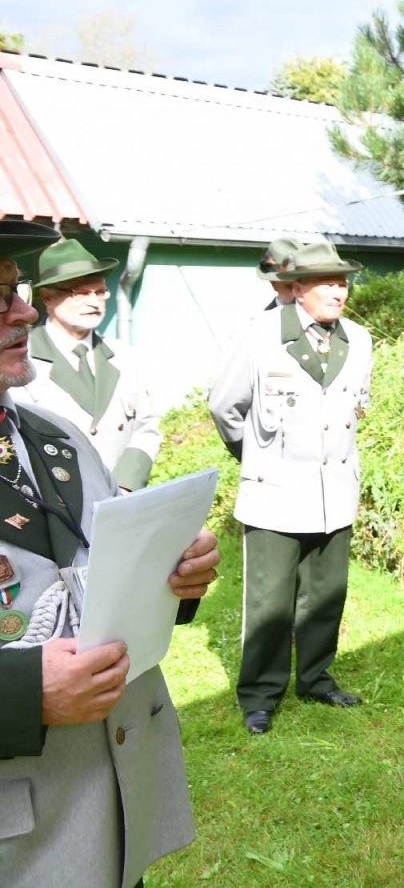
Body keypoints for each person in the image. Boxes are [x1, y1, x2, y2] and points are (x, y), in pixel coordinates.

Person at [0, 219, 222, 887]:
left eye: (17, 292)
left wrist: (172, 578)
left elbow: (93, 571)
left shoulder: (57, 437)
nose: (25, 313)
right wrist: (21, 694)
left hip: (102, 806)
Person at [208, 238, 372, 734]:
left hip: (333, 489)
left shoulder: (359, 339)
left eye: (342, 282)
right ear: (297, 288)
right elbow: (224, 406)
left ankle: (317, 678)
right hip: (274, 490)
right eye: (326, 282)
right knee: (269, 601)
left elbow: (356, 406)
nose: (338, 292)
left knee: (326, 594)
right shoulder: (259, 334)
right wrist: (257, 457)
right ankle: (260, 695)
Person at [13, 238, 162, 491]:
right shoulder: (21, 360)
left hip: (117, 498)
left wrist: (124, 486)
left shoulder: (125, 357)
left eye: (100, 292)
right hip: (55, 500)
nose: (94, 302)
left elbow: (146, 427)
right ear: (48, 298)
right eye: (80, 293)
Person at [258, 236, 303, 310]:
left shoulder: (315, 312)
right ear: (273, 283)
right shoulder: (264, 316)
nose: (300, 293)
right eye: (290, 287)